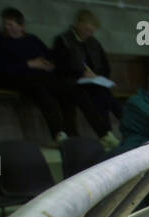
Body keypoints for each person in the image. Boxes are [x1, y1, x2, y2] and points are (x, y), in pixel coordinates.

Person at [0, 8, 65, 143]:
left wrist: (49, 64)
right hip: (16, 78)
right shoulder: (0, 41)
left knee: (68, 89)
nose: (8, 28)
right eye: (6, 24)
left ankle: (72, 135)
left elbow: (48, 54)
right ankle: (59, 134)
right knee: (42, 91)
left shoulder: (32, 39)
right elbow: (0, 68)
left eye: (11, 25)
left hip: (40, 77)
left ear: (21, 26)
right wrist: (29, 64)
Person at [51, 8, 121, 148]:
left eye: (91, 31)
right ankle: (104, 134)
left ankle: (122, 131)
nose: (88, 33)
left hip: (91, 82)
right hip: (71, 82)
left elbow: (105, 66)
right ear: (78, 24)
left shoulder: (93, 43)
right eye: (86, 30)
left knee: (107, 95)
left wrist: (98, 75)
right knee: (82, 96)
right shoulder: (63, 40)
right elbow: (60, 66)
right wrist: (81, 74)